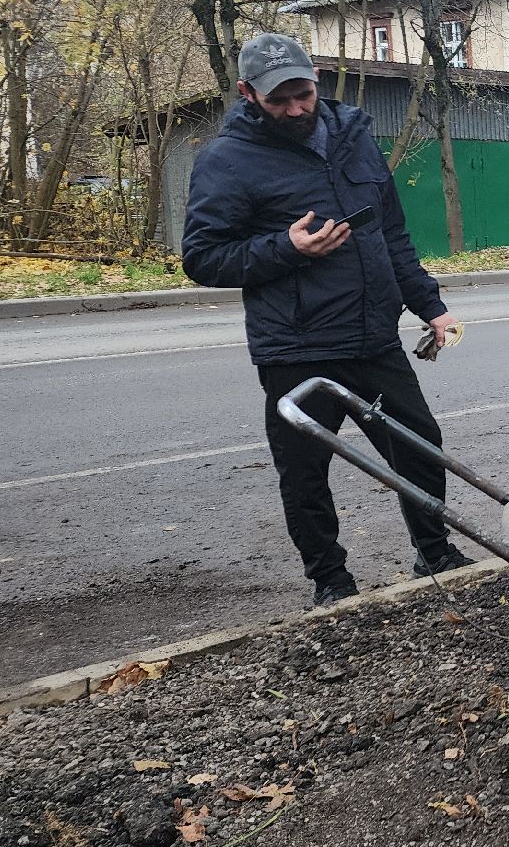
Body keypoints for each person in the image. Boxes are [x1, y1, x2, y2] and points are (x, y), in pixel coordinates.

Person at [182, 33, 471, 607]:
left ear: (317, 81)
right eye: (279, 100)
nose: (295, 109)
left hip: (371, 337)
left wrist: (430, 305)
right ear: (247, 94)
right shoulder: (226, 161)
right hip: (296, 349)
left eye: (303, 94)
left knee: (419, 447)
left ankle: (435, 554)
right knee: (305, 472)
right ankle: (331, 583)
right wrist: (286, 248)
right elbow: (203, 257)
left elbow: (390, 234)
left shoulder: (355, 139)